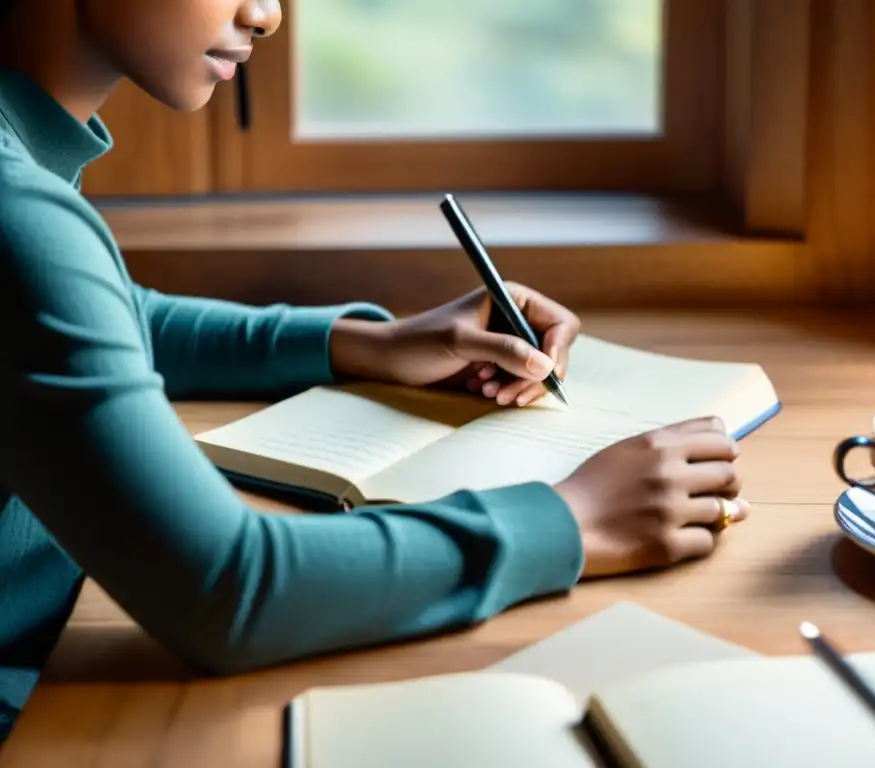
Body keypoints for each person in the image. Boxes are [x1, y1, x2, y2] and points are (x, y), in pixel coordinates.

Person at [0, 0, 750, 741]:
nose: (266, 15)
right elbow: (229, 589)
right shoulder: (20, 211)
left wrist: (368, 344)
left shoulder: (26, 171)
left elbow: (109, 316)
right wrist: (574, 519)